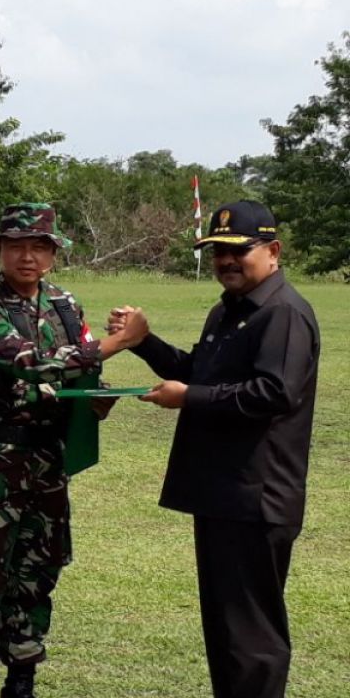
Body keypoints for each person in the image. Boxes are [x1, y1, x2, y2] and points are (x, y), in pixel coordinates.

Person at [108, 200, 319, 698]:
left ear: (273, 251)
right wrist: (143, 342)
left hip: (257, 496)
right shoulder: (230, 311)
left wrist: (190, 399)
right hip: (224, 492)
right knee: (226, 633)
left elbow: (275, 392)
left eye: (236, 251)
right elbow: (198, 372)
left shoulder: (282, 312)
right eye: (216, 251)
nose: (225, 261)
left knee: (252, 638)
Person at [0, 203, 139, 698]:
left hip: (48, 461)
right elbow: (29, 363)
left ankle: (22, 677)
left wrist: (99, 396)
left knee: (39, 570)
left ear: (54, 253)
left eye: (38, 246)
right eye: (15, 246)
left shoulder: (63, 303)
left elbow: (79, 367)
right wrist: (119, 343)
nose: (26, 256)